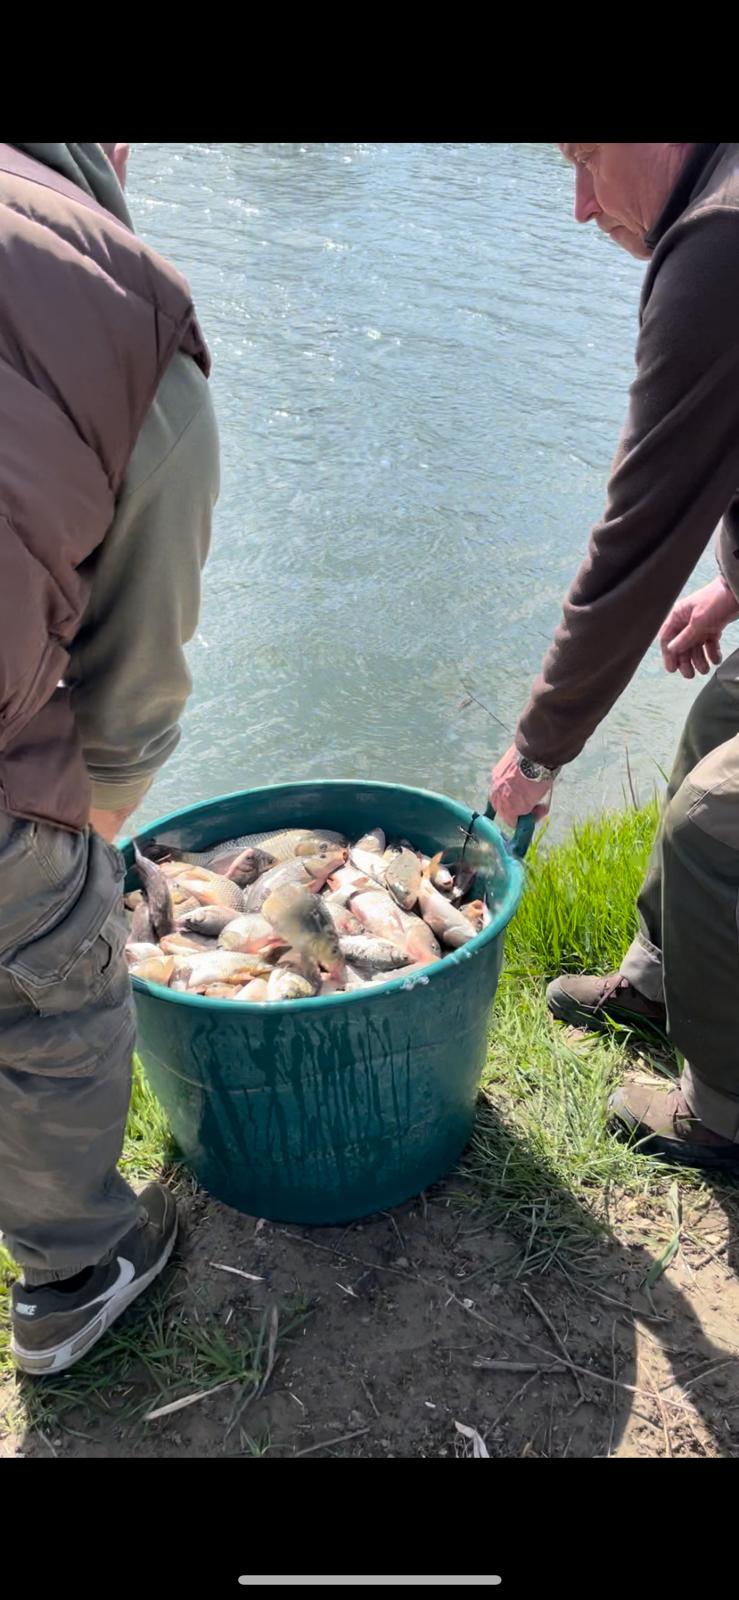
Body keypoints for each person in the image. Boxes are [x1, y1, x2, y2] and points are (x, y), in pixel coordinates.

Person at [0, 143, 219, 1374]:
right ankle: (75, 1276)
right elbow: (128, 702)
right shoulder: (136, 323)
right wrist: (85, 858)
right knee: (53, 993)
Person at [490, 143, 739, 1172]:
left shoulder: (718, 242)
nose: (581, 206)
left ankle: (722, 1111)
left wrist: (537, 750)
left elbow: (635, 541)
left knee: (711, 826)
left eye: (589, 158)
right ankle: (660, 979)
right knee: (712, 724)